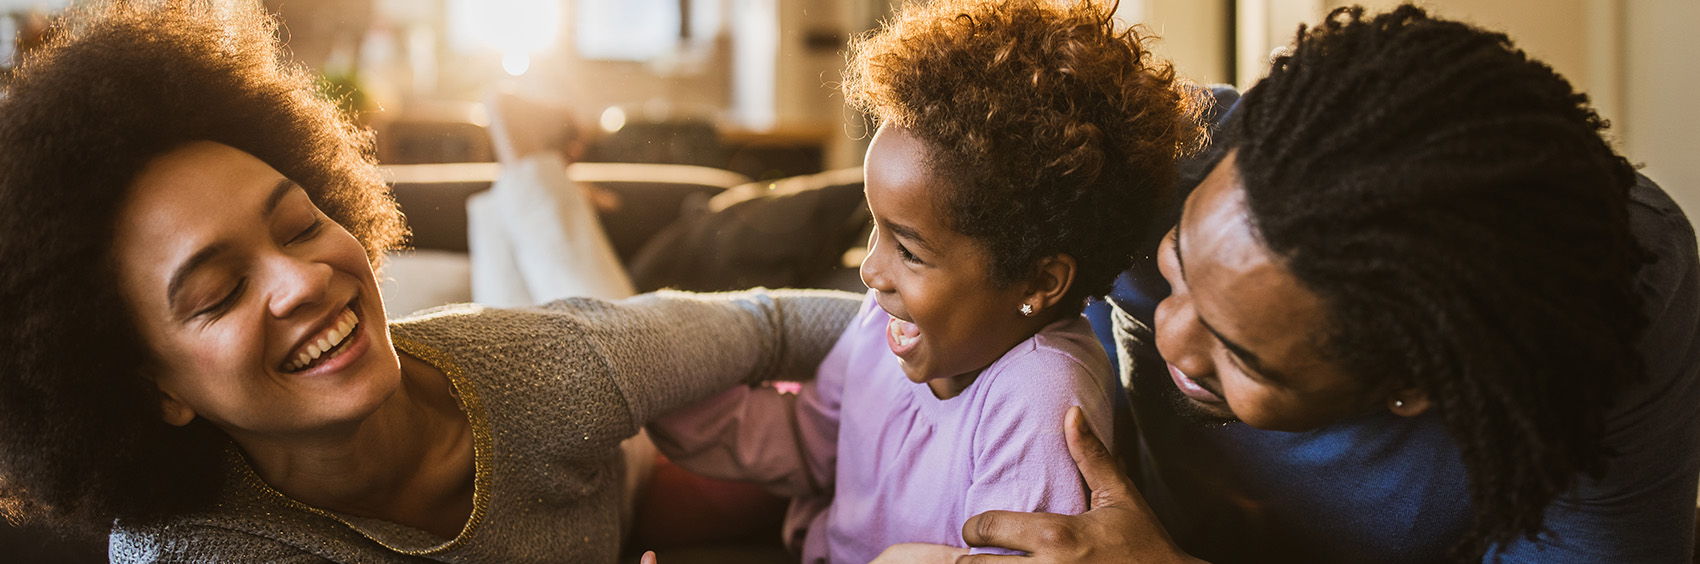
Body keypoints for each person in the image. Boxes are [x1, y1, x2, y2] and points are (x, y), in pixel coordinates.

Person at [0, 2, 862, 562]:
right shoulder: (205, 552)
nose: (302, 280)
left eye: (302, 224)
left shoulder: (545, 368)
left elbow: (773, 323)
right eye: (220, 293)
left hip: (614, 451)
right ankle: (526, 177)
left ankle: (526, 177)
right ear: (153, 388)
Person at [934, 4, 1700, 563]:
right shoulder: (1174, 153)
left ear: (1411, 383)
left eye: (1245, 356)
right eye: (1177, 261)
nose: (1171, 333)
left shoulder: (1618, 305)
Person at [642, 1, 1202, 563]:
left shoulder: (1041, 395)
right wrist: (654, 392)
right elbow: (810, 438)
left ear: (1040, 283)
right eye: (875, 230)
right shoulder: (890, 321)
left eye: (908, 250)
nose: (870, 271)